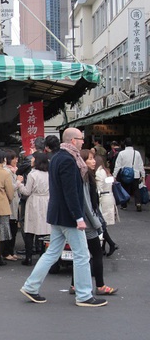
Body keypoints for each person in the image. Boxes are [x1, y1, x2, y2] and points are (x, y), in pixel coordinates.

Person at [20, 128, 108, 307]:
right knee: (82, 255)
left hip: (57, 214)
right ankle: (84, 295)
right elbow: (71, 192)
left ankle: (31, 286)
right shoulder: (69, 160)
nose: (83, 142)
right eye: (81, 139)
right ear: (72, 141)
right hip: (68, 216)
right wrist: (78, 217)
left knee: (52, 253)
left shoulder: (58, 157)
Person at [68, 150, 118, 296]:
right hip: (87, 222)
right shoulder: (85, 178)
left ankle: (73, 285)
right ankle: (100, 286)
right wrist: (96, 223)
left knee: (81, 254)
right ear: (83, 161)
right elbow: (87, 204)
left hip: (83, 220)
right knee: (95, 253)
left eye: (93, 158)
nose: (93, 161)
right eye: (90, 159)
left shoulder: (86, 176)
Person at [17, 152, 51, 266]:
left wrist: (19, 184)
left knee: (30, 229)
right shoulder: (49, 173)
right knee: (44, 229)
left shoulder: (33, 174)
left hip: (34, 201)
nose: (31, 160)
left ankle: (29, 257)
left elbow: (27, 191)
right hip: (46, 201)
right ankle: (43, 255)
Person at [94, 155, 119, 257]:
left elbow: (99, 188)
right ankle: (103, 248)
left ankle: (111, 244)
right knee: (103, 225)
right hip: (109, 197)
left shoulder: (99, 173)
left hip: (103, 199)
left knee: (101, 225)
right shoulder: (106, 171)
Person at [113, 137, 145, 211]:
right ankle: (138, 203)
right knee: (136, 189)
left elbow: (117, 165)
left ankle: (124, 205)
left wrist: (114, 175)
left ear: (125, 145)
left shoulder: (121, 153)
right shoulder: (137, 153)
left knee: (124, 189)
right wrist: (143, 175)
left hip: (125, 175)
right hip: (135, 174)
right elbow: (141, 165)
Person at [3, 149, 19, 261]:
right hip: (10, 202)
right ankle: (7, 252)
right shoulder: (7, 171)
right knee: (10, 228)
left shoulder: (13, 171)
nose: (16, 160)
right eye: (14, 158)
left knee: (13, 228)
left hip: (13, 202)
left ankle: (10, 251)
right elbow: (11, 188)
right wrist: (18, 182)